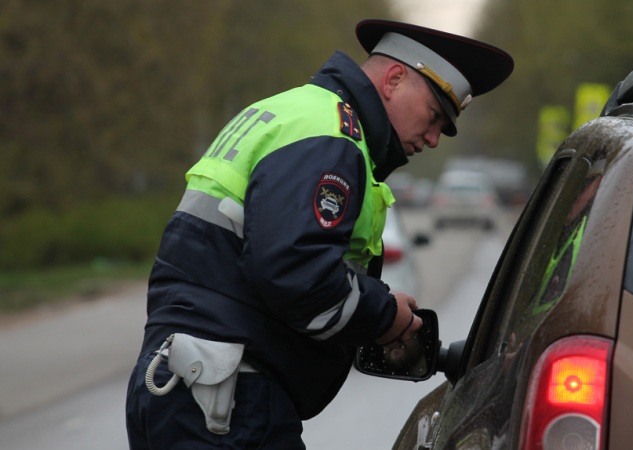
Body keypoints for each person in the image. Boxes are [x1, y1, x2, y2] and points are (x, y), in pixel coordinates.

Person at [125, 18, 514, 449]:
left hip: (184, 384)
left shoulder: (289, 111)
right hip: (228, 402)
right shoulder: (332, 137)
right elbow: (295, 272)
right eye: (434, 115)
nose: (435, 138)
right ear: (395, 78)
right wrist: (387, 318)